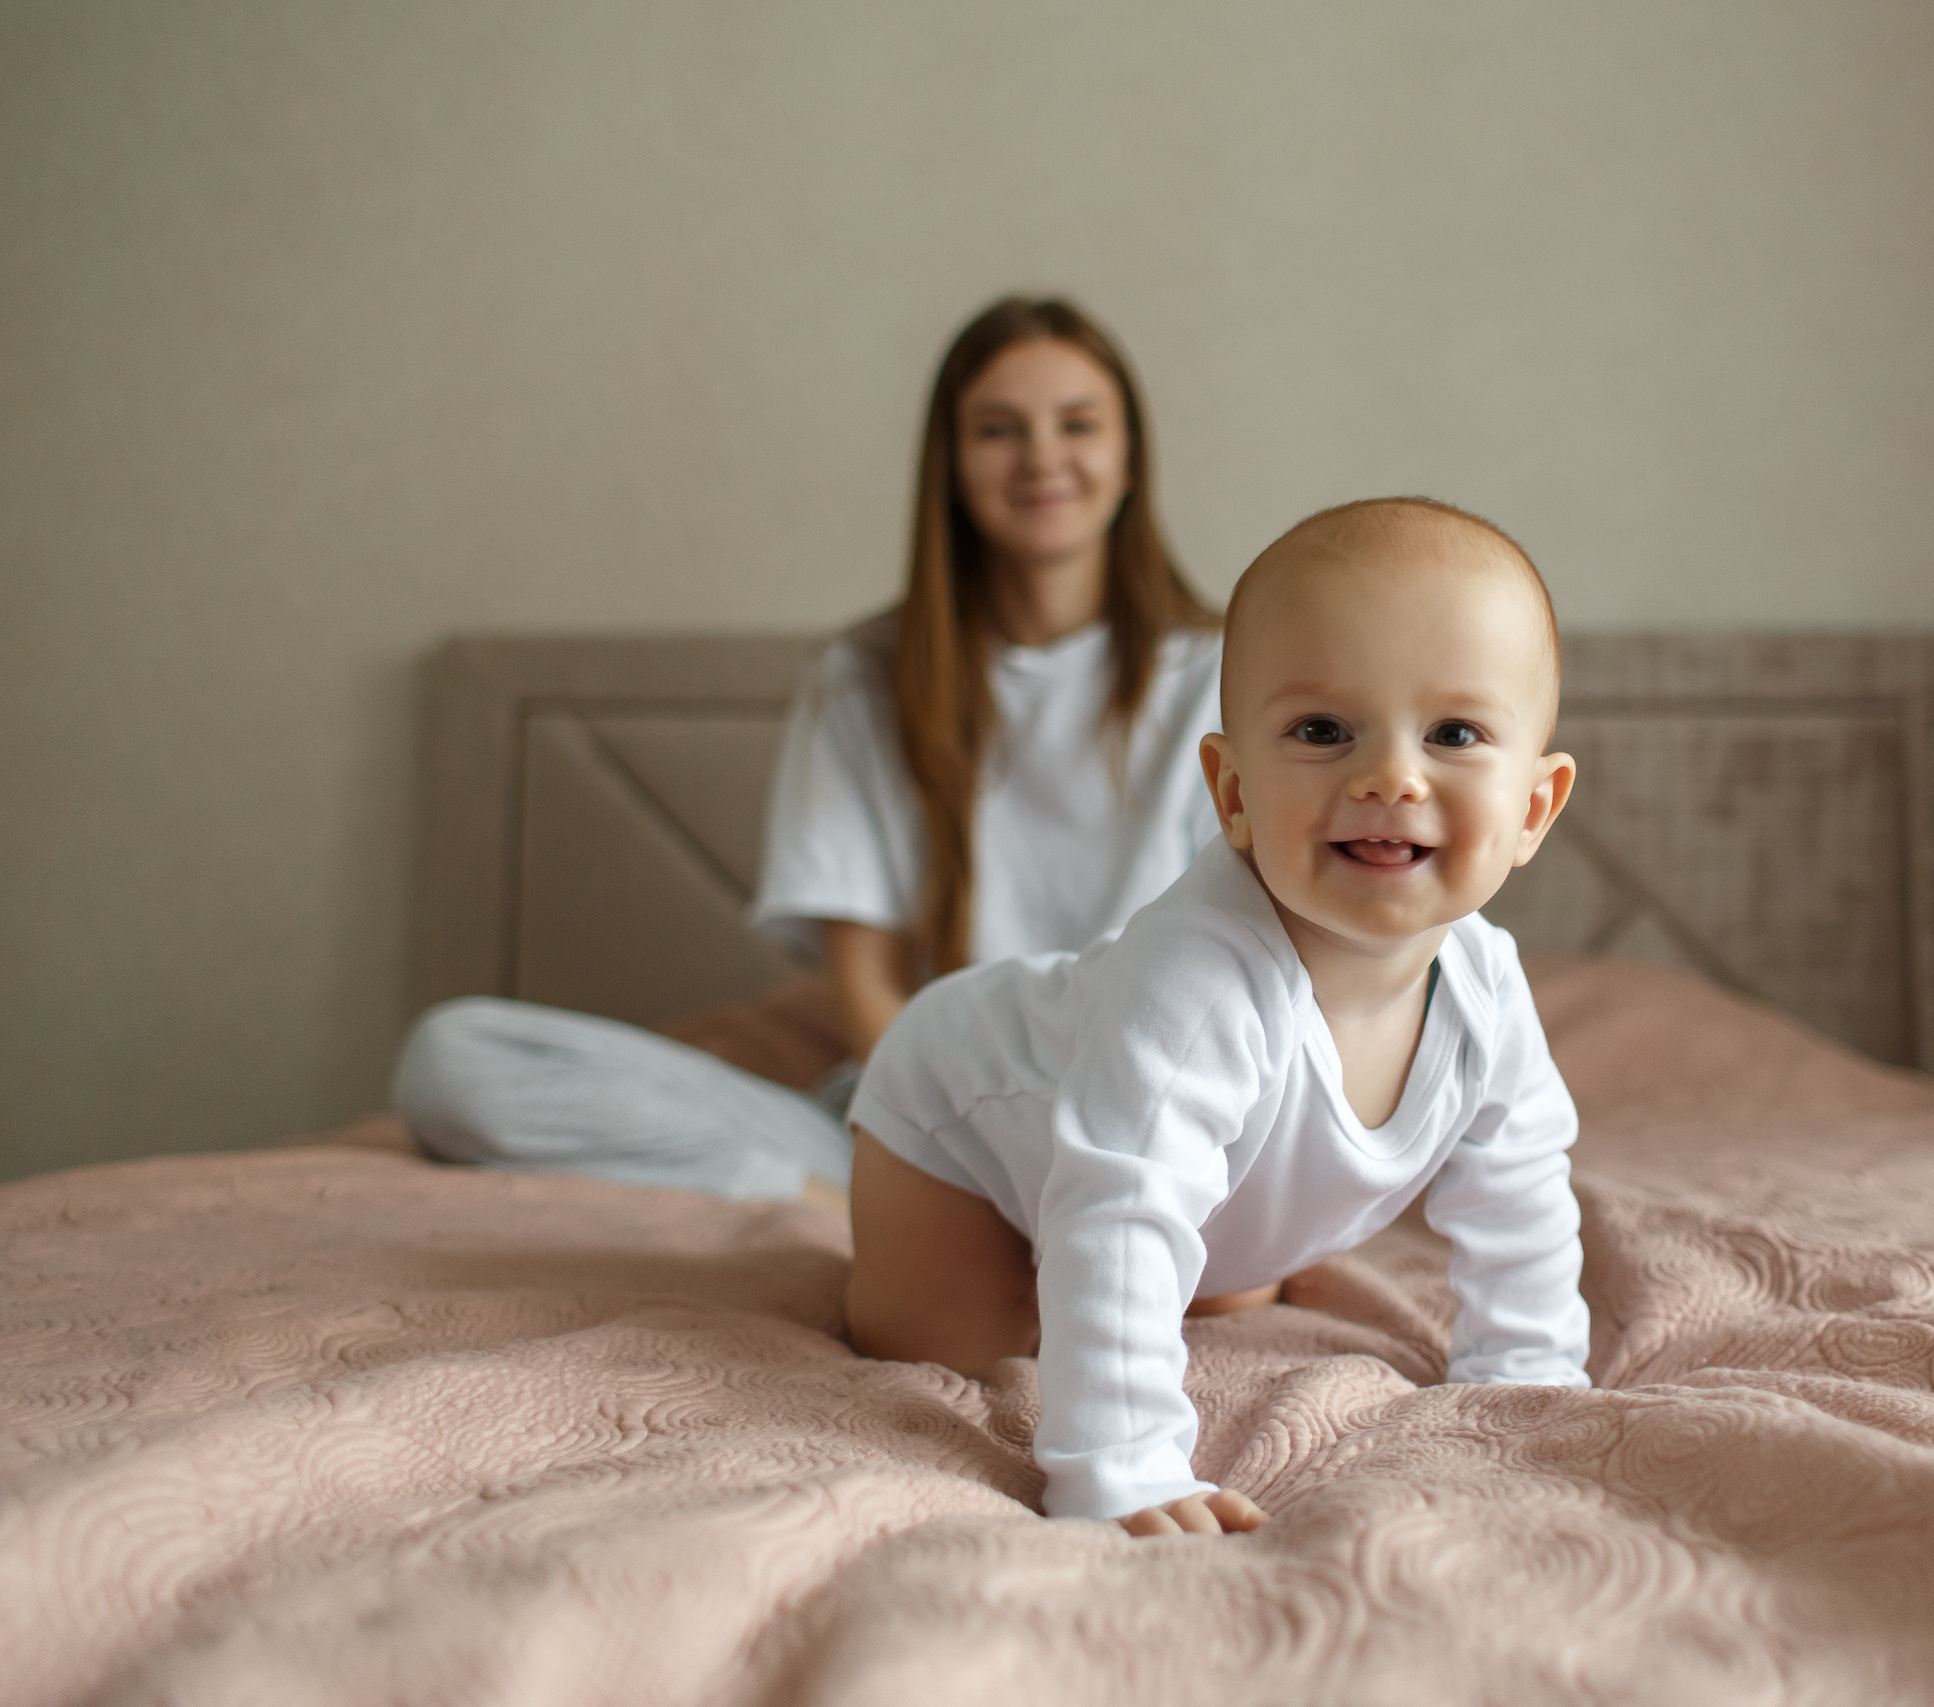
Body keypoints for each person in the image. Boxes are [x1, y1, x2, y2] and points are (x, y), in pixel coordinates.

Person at [841, 497, 1588, 1538]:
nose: (1390, 777)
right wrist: (1123, 1467)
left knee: (1216, 1285)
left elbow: (1520, 1196)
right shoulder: (1198, 983)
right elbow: (1122, 1208)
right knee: (959, 1343)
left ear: (1534, 811)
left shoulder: (1486, 990)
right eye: (1322, 732)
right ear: (1230, 792)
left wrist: (1528, 1373)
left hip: (1191, 1176)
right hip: (959, 1125)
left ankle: (1216, 1272)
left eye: (1453, 733)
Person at [393, 298, 1224, 1205]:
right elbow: (865, 984)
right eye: (997, 429)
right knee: (454, 1058)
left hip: (1137, 1128)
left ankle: (972, 1219)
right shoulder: (864, 678)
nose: (1041, 459)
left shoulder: (1223, 678)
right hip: (918, 1122)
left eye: (1078, 425)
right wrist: (962, 1150)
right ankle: (827, 1202)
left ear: (1130, 455)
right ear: (948, 465)